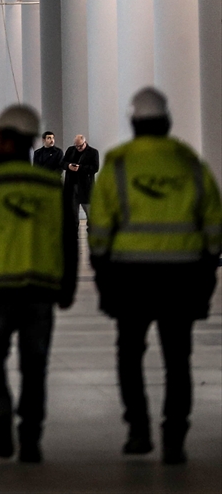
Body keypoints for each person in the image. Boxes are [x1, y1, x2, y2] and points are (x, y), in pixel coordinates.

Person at [88, 87, 221, 465]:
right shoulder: (189, 162)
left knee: (130, 354)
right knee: (178, 359)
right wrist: (208, 268)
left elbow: (99, 226)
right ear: (167, 122)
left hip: (131, 277)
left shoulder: (117, 162)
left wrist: (101, 271)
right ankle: (175, 437)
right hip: (183, 276)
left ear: (134, 123)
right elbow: (213, 222)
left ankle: (139, 432)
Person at [0, 105, 77, 464]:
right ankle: (30, 438)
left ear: (10, 142)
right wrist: (67, 285)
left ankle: (1, 406)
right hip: (40, 290)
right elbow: (68, 239)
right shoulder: (49, 185)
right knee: (35, 365)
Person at [61, 134, 99, 218]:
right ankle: (74, 230)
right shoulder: (71, 150)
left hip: (85, 186)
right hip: (71, 185)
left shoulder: (93, 152)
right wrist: (69, 166)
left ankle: (91, 230)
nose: (78, 148)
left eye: (80, 146)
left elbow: (95, 168)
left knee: (90, 213)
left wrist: (80, 168)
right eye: (76, 146)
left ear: (85, 142)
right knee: (72, 214)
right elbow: (62, 163)